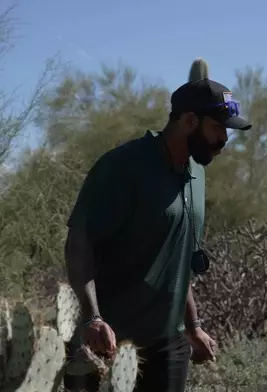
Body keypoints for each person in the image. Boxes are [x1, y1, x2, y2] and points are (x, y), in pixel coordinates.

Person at [63, 77, 252, 392]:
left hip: (169, 345)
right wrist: (92, 319)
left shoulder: (197, 175)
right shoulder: (123, 167)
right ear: (189, 120)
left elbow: (179, 257)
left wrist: (193, 327)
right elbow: (79, 245)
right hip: (108, 341)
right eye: (218, 129)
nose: (224, 140)